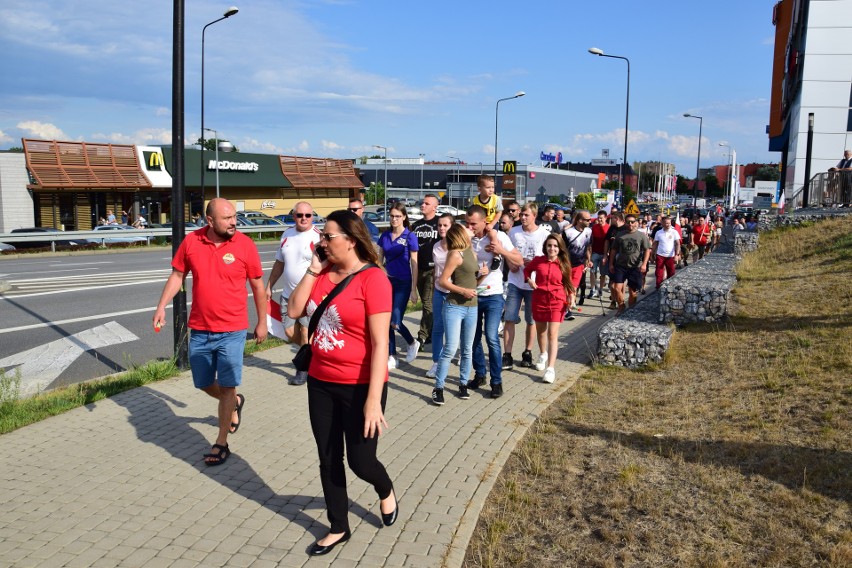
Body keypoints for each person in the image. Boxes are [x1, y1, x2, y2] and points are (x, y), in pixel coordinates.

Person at [286, 210, 397, 556]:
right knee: (328, 456)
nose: (321, 242)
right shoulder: (321, 273)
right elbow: (293, 311)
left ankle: (385, 489)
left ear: (351, 239)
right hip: (320, 381)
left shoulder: (374, 280)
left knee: (361, 462)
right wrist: (313, 270)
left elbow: (380, 345)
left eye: (328, 237)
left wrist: (373, 400)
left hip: (361, 385)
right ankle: (338, 526)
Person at [152, 198, 267, 466]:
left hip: (233, 329)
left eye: (234, 217)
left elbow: (258, 287)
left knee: (226, 386)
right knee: (203, 383)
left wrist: (262, 322)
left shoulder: (245, 245)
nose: (233, 222)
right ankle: (235, 401)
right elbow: (177, 276)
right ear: (210, 221)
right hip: (201, 328)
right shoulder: (192, 242)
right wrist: (161, 307)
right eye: (227, 218)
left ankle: (221, 442)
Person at [465, 205, 521, 398]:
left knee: (491, 337)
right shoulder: (467, 238)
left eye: (473, 224)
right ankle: (480, 374)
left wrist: (500, 251)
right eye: (467, 223)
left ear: (484, 222)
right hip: (472, 294)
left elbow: (519, 260)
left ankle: (496, 381)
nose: (470, 227)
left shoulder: (500, 236)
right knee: (473, 337)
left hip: (494, 295)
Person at [264, 201, 321, 385]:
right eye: (299, 215)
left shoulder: (318, 237)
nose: (303, 219)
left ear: (313, 216)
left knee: (305, 330)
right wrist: (269, 285)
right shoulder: (286, 234)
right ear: (293, 216)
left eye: (308, 215)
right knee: (289, 331)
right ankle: (313, 354)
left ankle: (303, 370)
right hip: (288, 295)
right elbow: (279, 263)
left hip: (309, 294)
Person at [432, 223, 481, 405]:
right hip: (454, 306)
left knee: (467, 349)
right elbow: (443, 281)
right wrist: (462, 291)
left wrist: (482, 275)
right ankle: (438, 387)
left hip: (472, 306)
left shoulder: (471, 251)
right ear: (461, 233)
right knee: (451, 348)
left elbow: (472, 281)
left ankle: (462, 384)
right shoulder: (455, 254)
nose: (471, 229)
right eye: (467, 228)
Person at [504, 203, 549, 370]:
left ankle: (527, 352)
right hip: (515, 281)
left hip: (533, 284)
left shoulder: (543, 234)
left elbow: (548, 257)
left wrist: (535, 265)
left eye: (526, 215)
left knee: (531, 320)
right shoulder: (514, 232)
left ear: (534, 216)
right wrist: (510, 262)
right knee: (509, 318)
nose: (522, 218)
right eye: (521, 215)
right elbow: (506, 251)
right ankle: (507, 354)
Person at [524, 234, 573, 383]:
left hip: (557, 300)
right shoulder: (538, 260)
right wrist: (529, 280)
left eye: (555, 246)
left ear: (560, 248)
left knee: (552, 334)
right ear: (545, 246)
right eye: (549, 245)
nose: (552, 248)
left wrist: (571, 296)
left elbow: (568, 282)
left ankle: (550, 369)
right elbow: (526, 271)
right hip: (539, 299)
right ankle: (543, 353)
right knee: (541, 332)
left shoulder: (564, 263)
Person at [377, 202, 419, 369]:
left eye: (398, 216)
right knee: (386, 320)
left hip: (403, 281)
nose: (394, 219)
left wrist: (413, 289)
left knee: (395, 321)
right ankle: (392, 355)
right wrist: (381, 273)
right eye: (392, 216)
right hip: (386, 282)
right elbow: (379, 260)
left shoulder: (410, 236)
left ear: (404, 217)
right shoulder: (385, 235)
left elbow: (414, 264)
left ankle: (411, 342)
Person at [426, 213, 455, 378]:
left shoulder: (458, 246)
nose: (442, 228)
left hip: (454, 293)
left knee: (453, 329)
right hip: (439, 290)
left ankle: (451, 358)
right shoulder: (436, 246)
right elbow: (435, 270)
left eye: (445, 225)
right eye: (439, 225)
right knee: (437, 327)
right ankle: (436, 362)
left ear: (452, 226)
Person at [410, 194, 440, 347]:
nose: (423, 205)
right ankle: (431, 332)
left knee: (428, 302)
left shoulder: (439, 224)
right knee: (426, 303)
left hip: (433, 269)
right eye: (422, 203)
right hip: (418, 268)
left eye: (427, 203)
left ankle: (421, 336)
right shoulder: (416, 226)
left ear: (435, 207)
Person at [609, 214, 651, 315]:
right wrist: (611, 264)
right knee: (616, 288)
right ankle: (621, 306)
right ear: (625, 222)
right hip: (620, 266)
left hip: (635, 267)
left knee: (633, 292)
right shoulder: (620, 234)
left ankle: (630, 310)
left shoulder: (641, 236)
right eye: (628, 222)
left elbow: (647, 250)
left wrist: (644, 264)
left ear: (636, 223)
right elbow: (613, 250)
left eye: (632, 222)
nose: (630, 224)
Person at [562, 210, 593, 321]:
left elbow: (588, 246)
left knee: (573, 288)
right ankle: (567, 309)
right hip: (567, 264)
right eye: (587, 219)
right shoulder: (568, 232)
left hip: (579, 264)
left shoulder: (589, 231)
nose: (590, 221)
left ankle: (568, 309)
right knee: (568, 288)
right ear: (580, 220)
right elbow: (562, 249)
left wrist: (589, 260)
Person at [652, 215, 681, 289]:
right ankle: (658, 287)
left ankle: (670, 287)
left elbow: (678, 244)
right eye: (666, 223)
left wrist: (677, 255)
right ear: (662, 223)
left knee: (671, 272)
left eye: (669, 223)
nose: (668, 225)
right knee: (659, 273)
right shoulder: (658, 232)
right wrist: (653, 253)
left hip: (670, 256)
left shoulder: (674, 232)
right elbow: (655, 243)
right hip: (660, 255)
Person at [589, 210, 610, 298]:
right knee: (592, 271)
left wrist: (607, 254)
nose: (600, 220)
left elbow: (609, 242)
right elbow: (591, 241)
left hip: (604, 254)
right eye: (598, 218)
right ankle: (593, 289)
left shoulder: (609, 228)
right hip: (595, 252)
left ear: (605, 218)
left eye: (601, 218)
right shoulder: (594, 227)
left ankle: (600, 289)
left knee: (603, 273)